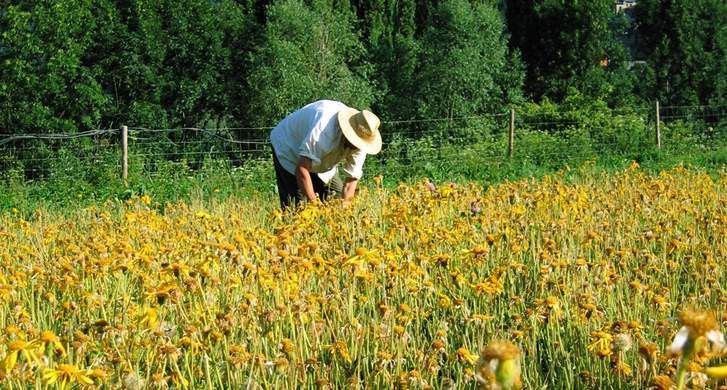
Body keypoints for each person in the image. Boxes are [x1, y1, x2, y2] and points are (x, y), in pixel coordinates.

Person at [269, 100, 382, 209]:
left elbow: (351, 180)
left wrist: (345, 209)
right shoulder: (323, 130)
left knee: (336, 201)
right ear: (347, 132)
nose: (355, 146)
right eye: (353, 141)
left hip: (321, 162)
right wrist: (314, 206)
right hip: (289, 150)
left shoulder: (363, 140)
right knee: (298, 211)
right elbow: (302, 168)